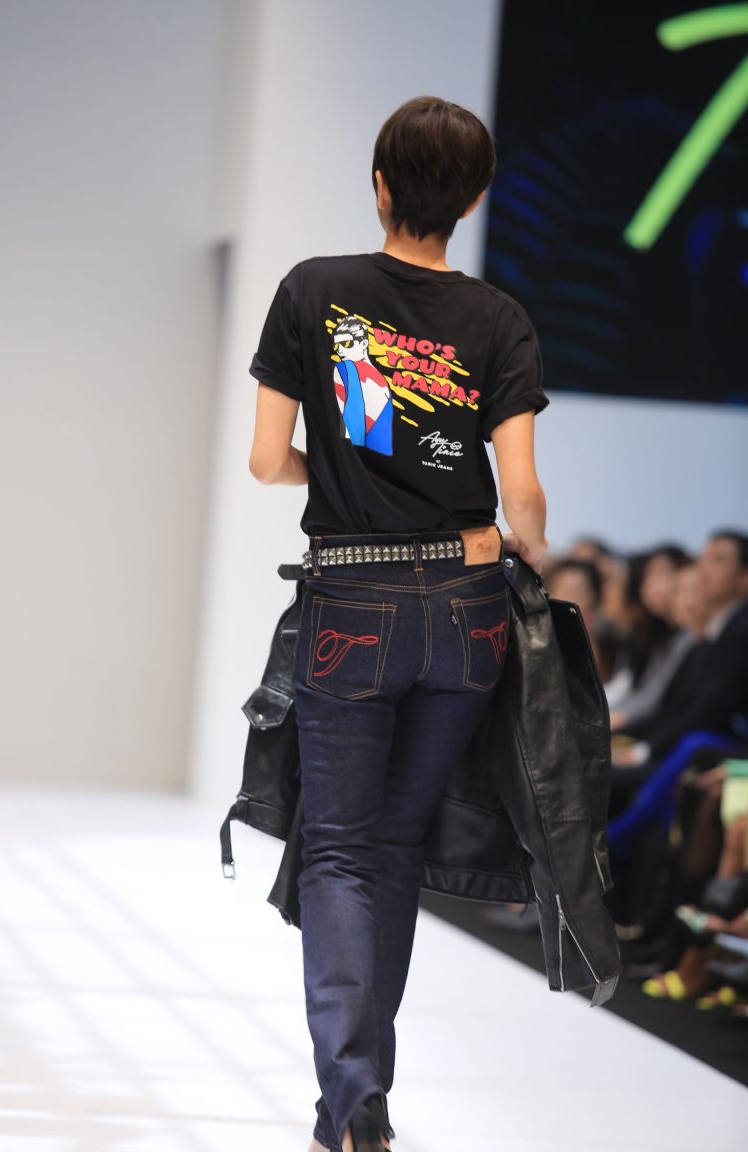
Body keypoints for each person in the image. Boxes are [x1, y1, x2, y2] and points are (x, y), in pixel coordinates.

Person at [248, 96, 549, 1152]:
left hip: (351, 601)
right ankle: (353, 1100)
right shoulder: (501, 320)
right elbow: (524, 498)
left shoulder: (311, 290)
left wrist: (335, 474)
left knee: (337, 851)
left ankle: (353, 1096)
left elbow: (267, 461)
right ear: (475, 199)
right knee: (394, 849)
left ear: (379, 185)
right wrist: (522, 552)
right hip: (466, 610)